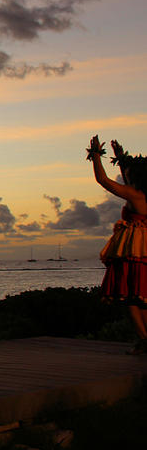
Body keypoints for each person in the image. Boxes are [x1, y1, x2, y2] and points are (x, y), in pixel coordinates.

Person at [87, 136, 147, 354]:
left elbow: (103, 180)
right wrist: (121, 158)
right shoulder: (139, 194)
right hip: (144, 250)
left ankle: (144, 339)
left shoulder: (134, 195)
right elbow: (129, 178)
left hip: (133, 249)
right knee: (142, 296)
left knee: (131, 295)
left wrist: (95, 156)